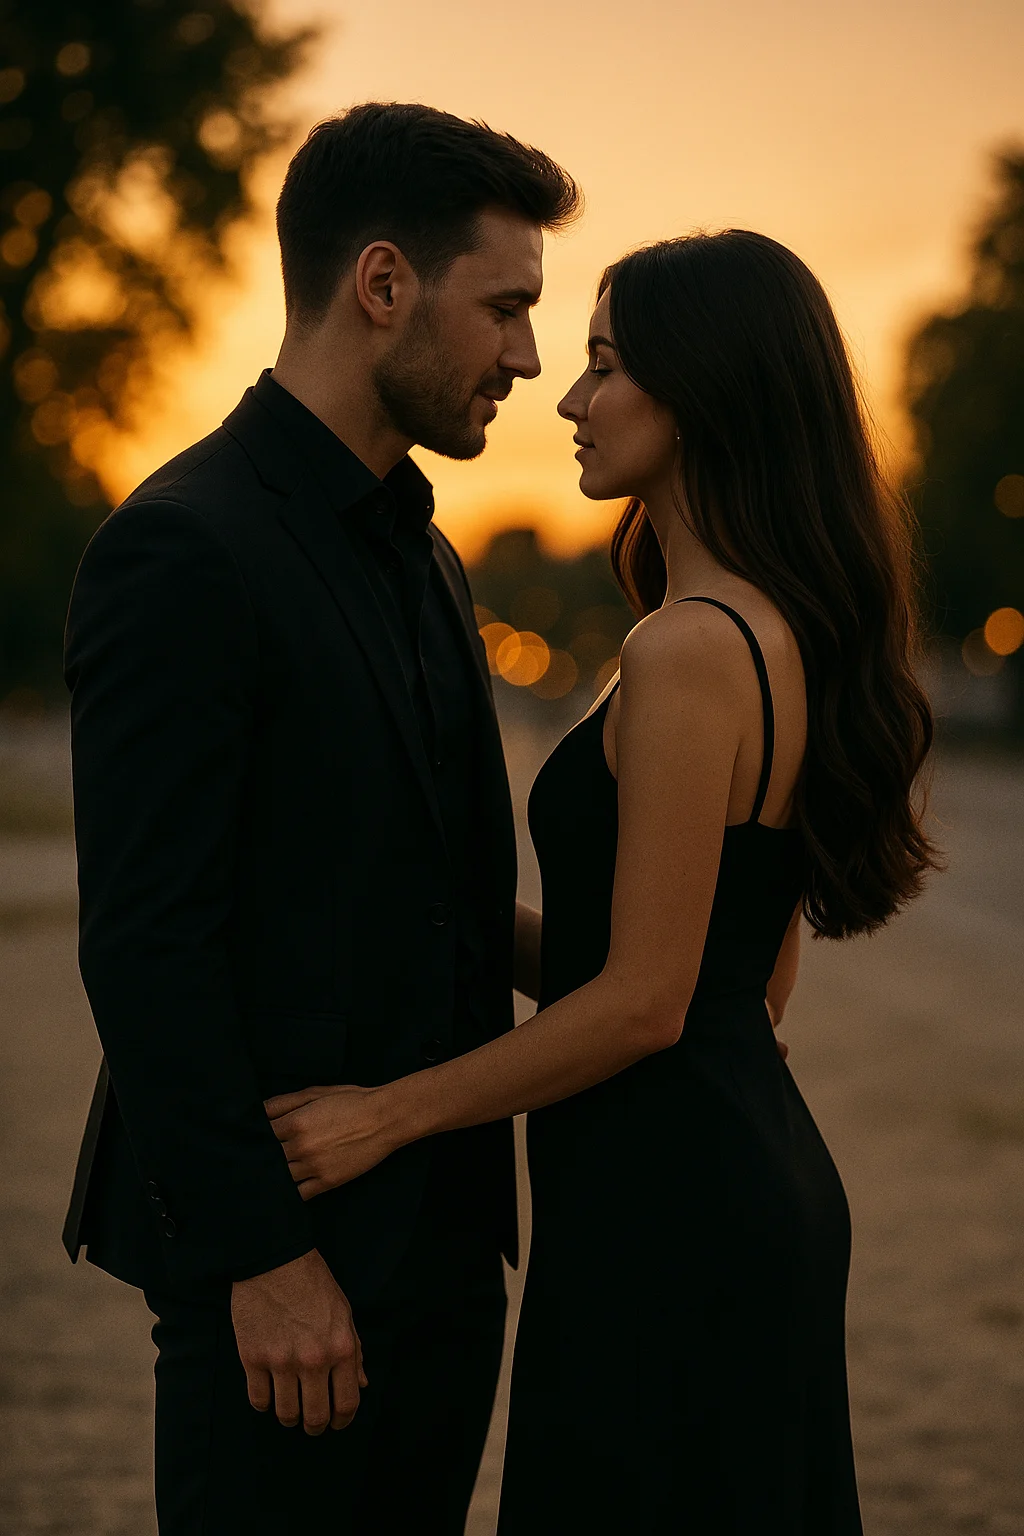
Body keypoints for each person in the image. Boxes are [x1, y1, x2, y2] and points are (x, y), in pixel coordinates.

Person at [266, 230, 939, 1533]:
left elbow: (644, 1003)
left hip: (671, 1213)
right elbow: (733, 974)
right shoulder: (767, 629)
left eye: (604, 364)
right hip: (724, 1180)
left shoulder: (688, 647)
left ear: (704, 394)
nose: (568, 399)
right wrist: (443, 918)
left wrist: (386, 1115)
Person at [61, 102, 579, 1535]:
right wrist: (265, 1260)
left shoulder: (429, 556)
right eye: (507, 308)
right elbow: (149, 944)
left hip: (447, 1264)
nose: (527, 358)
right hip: (283, 1279)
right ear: (384, 286)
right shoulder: (180, 546)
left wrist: (662, 984)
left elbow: (436, 884)